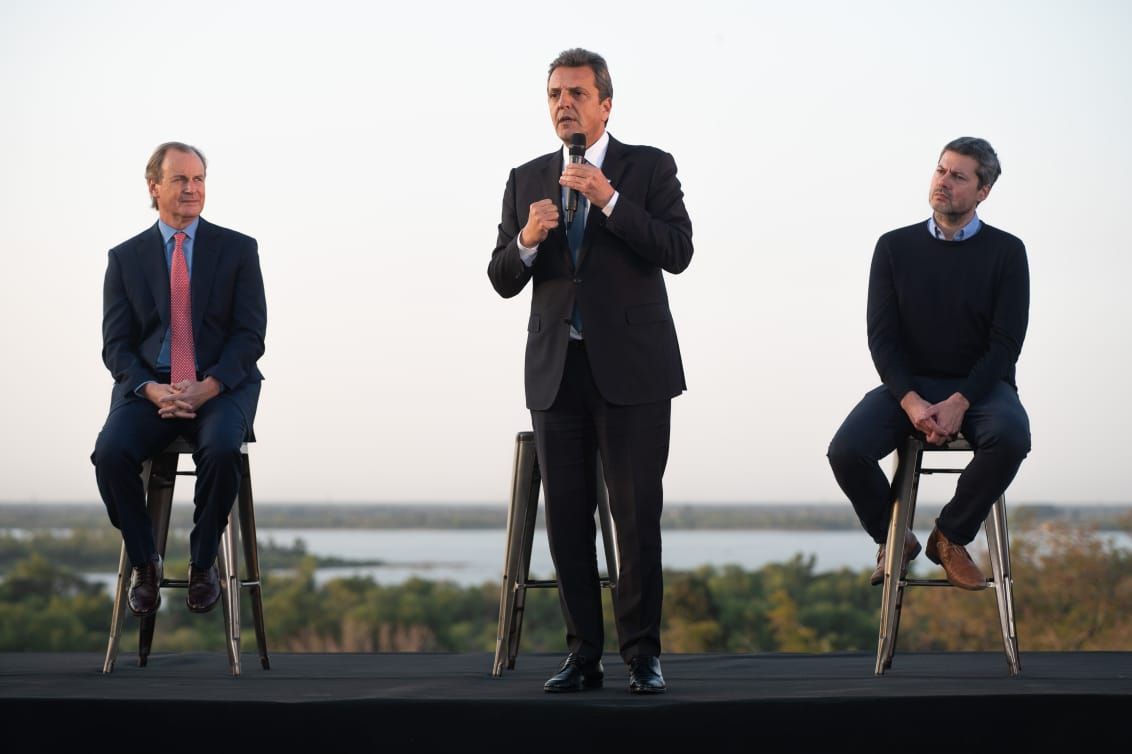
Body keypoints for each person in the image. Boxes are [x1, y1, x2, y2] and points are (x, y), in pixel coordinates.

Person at [488, 48, 693, 694]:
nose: (563, 104)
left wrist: (610, 202)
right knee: (569, 518)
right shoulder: (526, 177)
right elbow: (500, 277)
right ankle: (583, 655)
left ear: (606, 103)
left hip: (634, 372)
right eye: (554, 94)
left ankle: (643, 655)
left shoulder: (649, 168)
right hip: (556, 372)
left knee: (636, 519)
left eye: (576, 93)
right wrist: (525, 240)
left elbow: (678, 250)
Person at [827, 136, 1030, 591]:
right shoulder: (894, 247)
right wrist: (911, 401)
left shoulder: (1007, 252)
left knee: (1012, 438)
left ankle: (950, 537)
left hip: (983, 387)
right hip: (909, 384)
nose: (944, 182)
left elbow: (1005, 343)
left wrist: (961, 400)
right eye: (941, 170)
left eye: (959, 176)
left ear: (983, 192)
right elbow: (882, 338)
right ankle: (894, 539)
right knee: (846, 450)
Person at [92, 142, 267, 617]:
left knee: (222, 450)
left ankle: (204, 562)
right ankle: (146, 563)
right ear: (154, 187)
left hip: (220, 387)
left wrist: (207, 386)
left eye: (198, 180)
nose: (192, 189)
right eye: (180, 180)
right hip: (151, 388)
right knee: (109, 454)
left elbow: (250, 337)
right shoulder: (124, 258)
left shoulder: (238, 250)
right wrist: (151, 389)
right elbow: (116, 346)